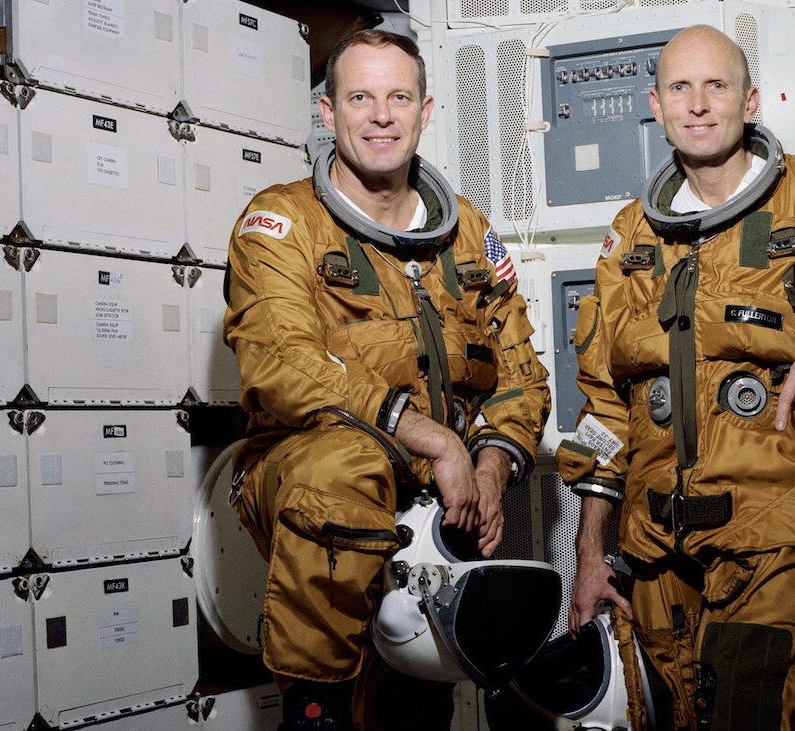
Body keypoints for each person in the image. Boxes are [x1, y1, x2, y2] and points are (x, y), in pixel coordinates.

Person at [555, 25, 795, 731]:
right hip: (653, 544)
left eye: (716, 86)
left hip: (773, 522)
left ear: (748, 100)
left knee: (750, 711)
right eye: (680, 87)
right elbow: (603, 406)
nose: (699, 104)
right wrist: (590, 552)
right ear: (654, 103)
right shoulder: (630, 235)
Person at [223, 29, 551, 731]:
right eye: (360, 97)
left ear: (425, 110)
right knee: (345, 464)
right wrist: (434, 439)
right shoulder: (281, 224)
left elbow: (520, 376)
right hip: (309, 481)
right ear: (327, 112)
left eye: (397, 97)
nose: (380, 116)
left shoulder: (469, 238)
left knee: (410, 704)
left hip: (439, 503)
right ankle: (315, 715)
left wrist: (489, 469)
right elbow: (282, 363)